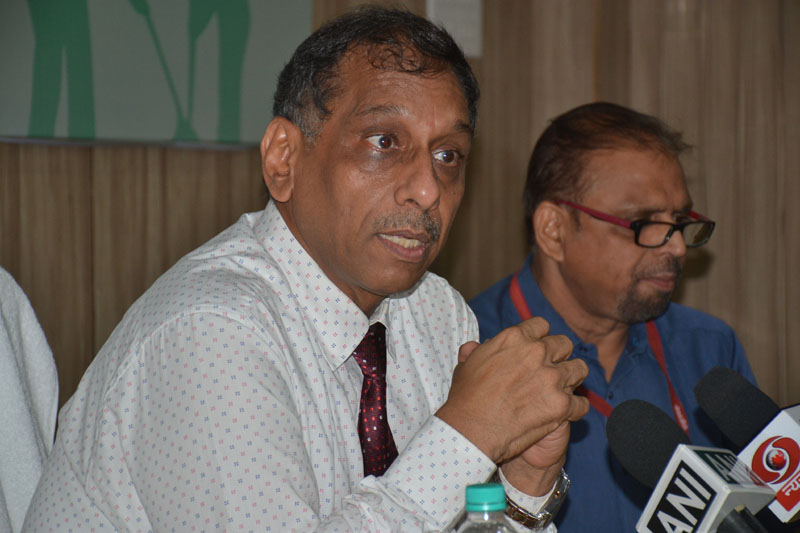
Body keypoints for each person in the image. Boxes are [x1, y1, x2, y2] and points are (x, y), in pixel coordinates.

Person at [24, 7, 589, 532]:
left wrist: (522, 485)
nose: (427, 189)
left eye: (448, 156)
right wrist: (465, 435)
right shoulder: (212, 330)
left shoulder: (436, 314)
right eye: (384, 141)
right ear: (283, 158)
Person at [468, 102, 757, 532]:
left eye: (678, 220)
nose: (677, 247)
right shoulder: (469, 351)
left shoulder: (710, 349)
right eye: (643, 222)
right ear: (553, 230)